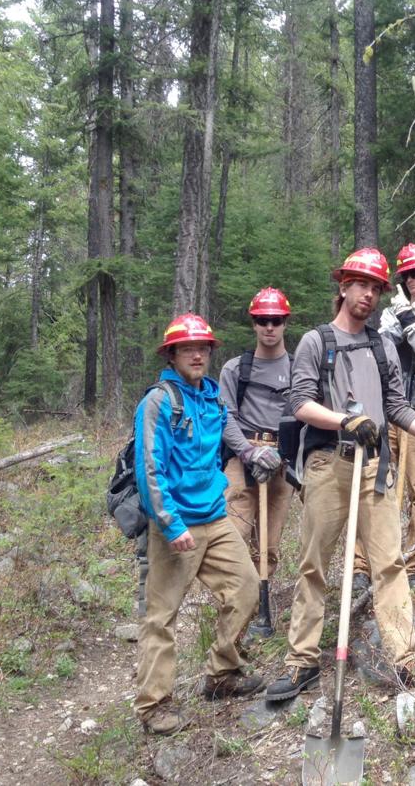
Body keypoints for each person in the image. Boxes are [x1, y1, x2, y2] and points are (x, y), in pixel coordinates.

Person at [265, 248, 415, 701]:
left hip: (374, 467)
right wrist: (344, 421)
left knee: (388, 562)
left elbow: (398, 407)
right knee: (314, 566)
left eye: (375, 287)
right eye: (360, 284)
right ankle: (301, 661)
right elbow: (299, 403)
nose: (367, 294)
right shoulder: (315, 341)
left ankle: (406, 659)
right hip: (328, 464)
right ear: (343, 286)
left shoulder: (382, 345)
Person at [133, 314, 263, 736]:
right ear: (171, 354)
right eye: (187, 348)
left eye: (203, 348)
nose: (197, 354)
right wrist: (171, 525)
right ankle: (154, 705)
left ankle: (221, 672)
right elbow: (149, 469)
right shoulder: (157, 402)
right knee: (162, 616)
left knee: (246, 587)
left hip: (215, 516)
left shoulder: (211, 396)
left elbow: (226, 439)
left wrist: (250, 455)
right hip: (176, 525)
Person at [353, 243, 415, 593]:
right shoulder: (390, 311)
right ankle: (362, 565)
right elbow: (384, 342)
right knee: (374, 485)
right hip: (386, 410)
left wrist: (411, 318)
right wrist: (405, 315)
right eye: (407, 274)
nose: (413, 279)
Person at [219, 287, 294, 641]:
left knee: (269, 546)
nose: (269, 327)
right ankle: (234, 615)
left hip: (280, 465)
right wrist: (249, 453)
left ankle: (262, 613)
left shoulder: (298, 368)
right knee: (234, 539)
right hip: (241, 459)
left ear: (285, 323)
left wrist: (282, 453)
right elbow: (225, 416)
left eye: (275, 320)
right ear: (254, 323)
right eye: (262, 321)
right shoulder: (236, 368)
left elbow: (302, 415)